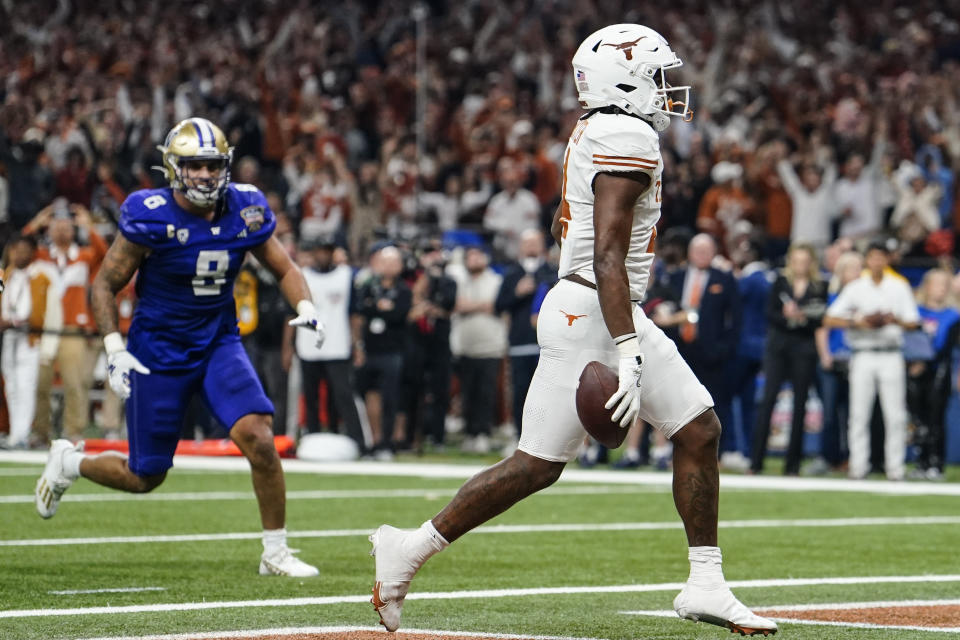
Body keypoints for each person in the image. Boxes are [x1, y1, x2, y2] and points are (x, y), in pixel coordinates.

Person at [368, 25, 777, 637]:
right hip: (592, 308)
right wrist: (628, 345)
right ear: (624, 77)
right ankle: (409, 549)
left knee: (697, 429)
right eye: (657, 74)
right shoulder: (625, 131)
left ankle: (706, 583)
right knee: (537, 465)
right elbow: (607, 256)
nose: (668, 88)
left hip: (599, 303)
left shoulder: (605, 126)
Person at [33, 118, 325, 577]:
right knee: (145, 475)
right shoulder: (150, 214)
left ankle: (276, 552)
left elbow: (284, 267)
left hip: (217, 343)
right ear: (173, 168)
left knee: (261, 439)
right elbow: (106, 284)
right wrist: (115, 349)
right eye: (194, 166)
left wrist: (305, 304)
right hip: (158, 351)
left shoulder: (246, 207)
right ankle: (71, 462)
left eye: (212, 165)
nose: (205, 175)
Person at [823, 239, 919, 480]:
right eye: (873, 257)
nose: (877, 261)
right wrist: (859, 321)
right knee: (859, 413)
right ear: (867, 259)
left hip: (891, 353)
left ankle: (895, 469)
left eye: (881, 257)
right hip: (863, 353)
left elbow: (913, 322)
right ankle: (858, 466)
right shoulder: (856, 287)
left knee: (895, 414)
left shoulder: (899, 286)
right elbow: (829, 319)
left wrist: (892, 320)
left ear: (887, 259)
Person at [750, 244, 827, 475]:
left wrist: (802, 316)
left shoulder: (820, 285)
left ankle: (792, 465)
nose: (801, 265)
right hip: (778, 347)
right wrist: (787, 316)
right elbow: (770, 314)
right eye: (797, 260)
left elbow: (821, 316)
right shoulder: (780, 282)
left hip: (804, 348)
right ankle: (756, 462)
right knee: (768, 400)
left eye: (805, 261)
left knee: (800, 403)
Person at [288, 235, 365, 452]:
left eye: (327, 251)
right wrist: (289, 346)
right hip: (308, 344)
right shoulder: (302, 276)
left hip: (337, 344)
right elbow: (290, 313)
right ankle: (311, 440)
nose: (323, 255)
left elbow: (354, 314)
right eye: (319, 251)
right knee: (309, 397)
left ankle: (356, 441)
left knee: (343, 395)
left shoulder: (345, 276)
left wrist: (356, 344)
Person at [495, 229, 557, 440]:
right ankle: (520, 436)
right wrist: (517, 293)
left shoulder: (552, 272)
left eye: (535, 243)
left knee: (548, 393)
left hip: (547, 344)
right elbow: (499, 305)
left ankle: (545, 438)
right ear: (521, 247)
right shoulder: (512, 273)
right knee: (521, 390)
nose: (531, 247)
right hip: (520, 341)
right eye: (527, 243)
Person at [0, 234, 60, 448]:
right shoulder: (5, 276)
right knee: (12, 386)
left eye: (24, 250)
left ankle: (22, 434)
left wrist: (49, 345)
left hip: (31, 338)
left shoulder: (41, 276)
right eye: (15, 249)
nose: (19, 254)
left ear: (32, 252)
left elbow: (51, 311)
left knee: (26, 386)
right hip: (8, 337)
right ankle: (15, 433)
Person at [907, 269, 960, 480]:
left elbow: (947, 346)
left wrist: (926, 360)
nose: (940, 289)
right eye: (936, 284)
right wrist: (913, 361)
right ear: (926, 286)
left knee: (936, 419)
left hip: (939, 369)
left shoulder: (953, 315)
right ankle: (921, 462)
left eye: (944, 285)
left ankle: (936, 463)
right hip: (915, 370)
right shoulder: (914, 312)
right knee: (918, 419)